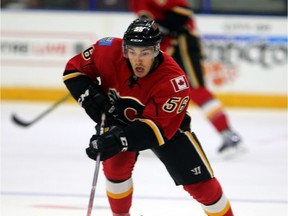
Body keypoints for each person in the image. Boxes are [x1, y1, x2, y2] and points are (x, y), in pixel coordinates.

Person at [63, 18, 234, 216]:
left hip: (166, 127)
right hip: (117, 116)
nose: (137, 59)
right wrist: (92, 100)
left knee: (201, 186)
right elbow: (73, 71)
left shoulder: (174, 81)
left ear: (156, 51)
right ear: (124, 49)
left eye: (145, 53)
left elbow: (156, 129)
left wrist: (117, 140)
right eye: (132, 52)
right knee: (115, 169)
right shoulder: (106, 49)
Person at [129, 0, 243, 156]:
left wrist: (161, 26)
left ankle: (227, 133)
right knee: (148, 88)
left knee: (195, 89)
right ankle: (147, 134)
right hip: (163, 47)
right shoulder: (134, 2)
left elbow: (183, 11)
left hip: (181, 43)